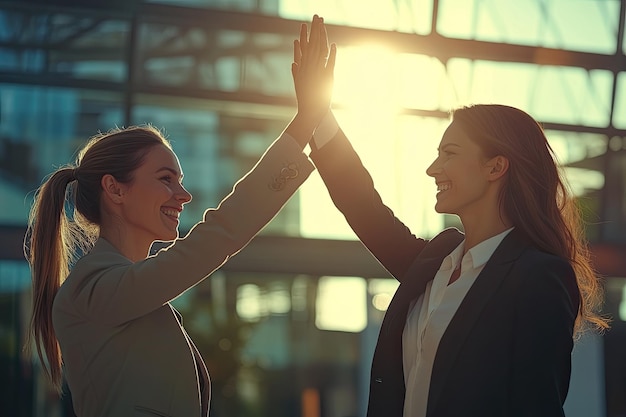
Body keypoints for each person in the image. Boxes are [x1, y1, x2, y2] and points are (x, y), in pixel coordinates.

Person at [294, 19, 609, 417]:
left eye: (450, 153)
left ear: (496, 167)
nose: (432, 168)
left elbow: (537, 406)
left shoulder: (538, 276)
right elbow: (363, 207)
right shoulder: (436, 261)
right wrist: (318, 114)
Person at [25, 15, 335, 417]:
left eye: (181, 180)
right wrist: (305, 120)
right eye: (166, 179)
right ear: (115, 189)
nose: (183, 195)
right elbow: (217, 237)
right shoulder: (92, 290)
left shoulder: (128, 290)